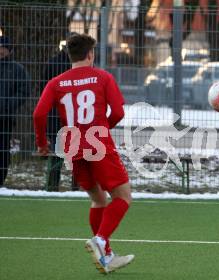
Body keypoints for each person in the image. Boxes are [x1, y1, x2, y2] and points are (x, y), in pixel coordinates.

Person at [33, 34, 134, 273]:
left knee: (98, 199)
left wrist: (41, 143)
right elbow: (118, 112)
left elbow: (38, 114)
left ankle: (106, 256)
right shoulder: (102, 77)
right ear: (90, 54)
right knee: (123, 197)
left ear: (70, 55)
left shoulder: (56, 82)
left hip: (73, 146)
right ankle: (100, 240)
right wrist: (102, 128)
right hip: (98, 144)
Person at [41, 32, 80, 191]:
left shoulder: (81, 65)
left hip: (71, 116)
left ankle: (71, 187)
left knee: (74, 154)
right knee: (61, 153)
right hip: (62, 116)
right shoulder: (56, 64)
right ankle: (57, 186)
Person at [0, 35, 30, 186]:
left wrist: (8, 105)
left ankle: (1, 180)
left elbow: (24, 90)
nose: (1, 51)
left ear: (9, 50)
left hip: (5, 118)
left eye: (3, 48)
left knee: (3, 152)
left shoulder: (17, 69)